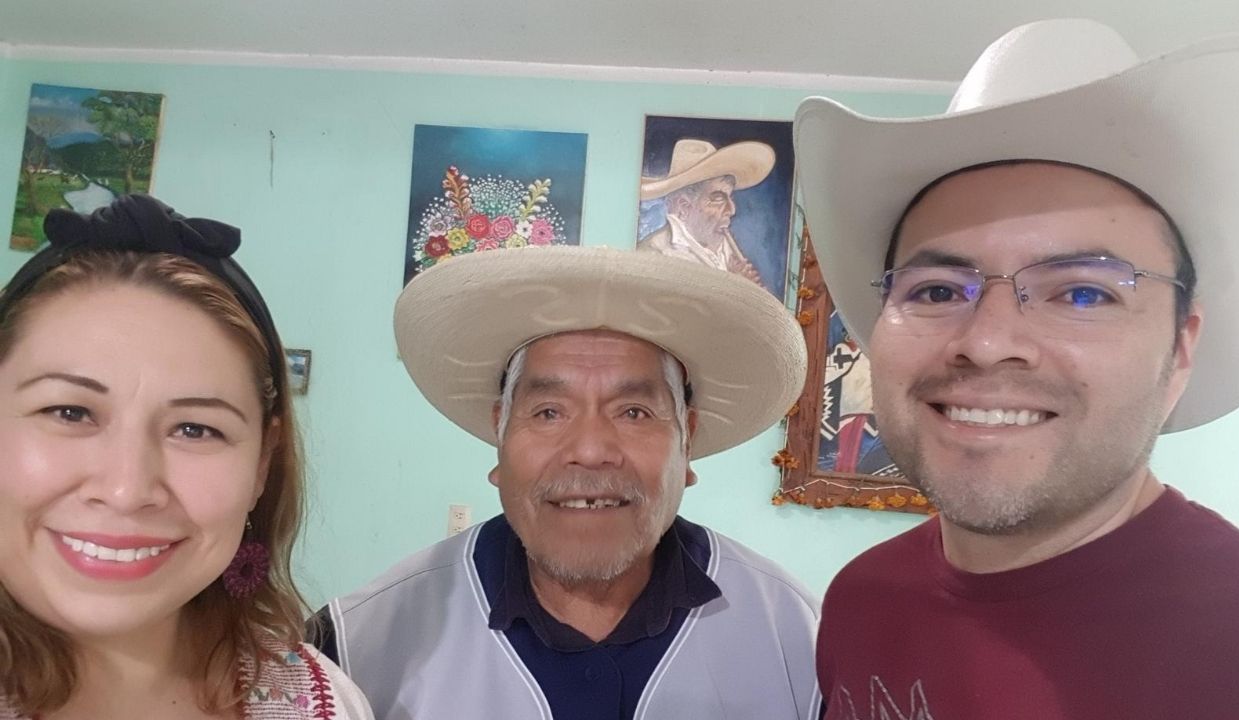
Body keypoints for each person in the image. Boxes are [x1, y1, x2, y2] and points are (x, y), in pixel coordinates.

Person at [794, 17, 1239, 719]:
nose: (988, 343)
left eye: (1083, 292)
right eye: (936, 290)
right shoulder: (862, 600)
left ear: (1180, 350)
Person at [309, 245, 821, 719]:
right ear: (500, 436)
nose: (591, 450)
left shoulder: (798, 639)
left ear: (687, 439)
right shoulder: (353, 648)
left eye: (635, 412)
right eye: (549, 411)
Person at [0, 195, 373, 720]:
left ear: (262, 464)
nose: (127, 489)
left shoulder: (322, 703)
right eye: (69, 412)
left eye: (195, 429)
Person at [637, 138, 773, 285]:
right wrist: (737, 287)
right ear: (684, 206)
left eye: (730, 197)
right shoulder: (655, 254)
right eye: (718, 198)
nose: (732, 210)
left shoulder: (720, 245)